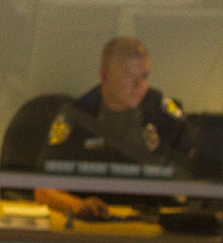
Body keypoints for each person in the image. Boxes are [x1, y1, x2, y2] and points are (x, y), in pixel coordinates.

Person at [34, 37, 192, 219]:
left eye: (144, 76)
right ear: (104, 76)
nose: (139, 86)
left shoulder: (160, 110)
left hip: (156, 225)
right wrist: (79, 206)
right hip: (96, 227)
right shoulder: (78, 116)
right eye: (128, 76)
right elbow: (43, 190)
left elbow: (196, 166)